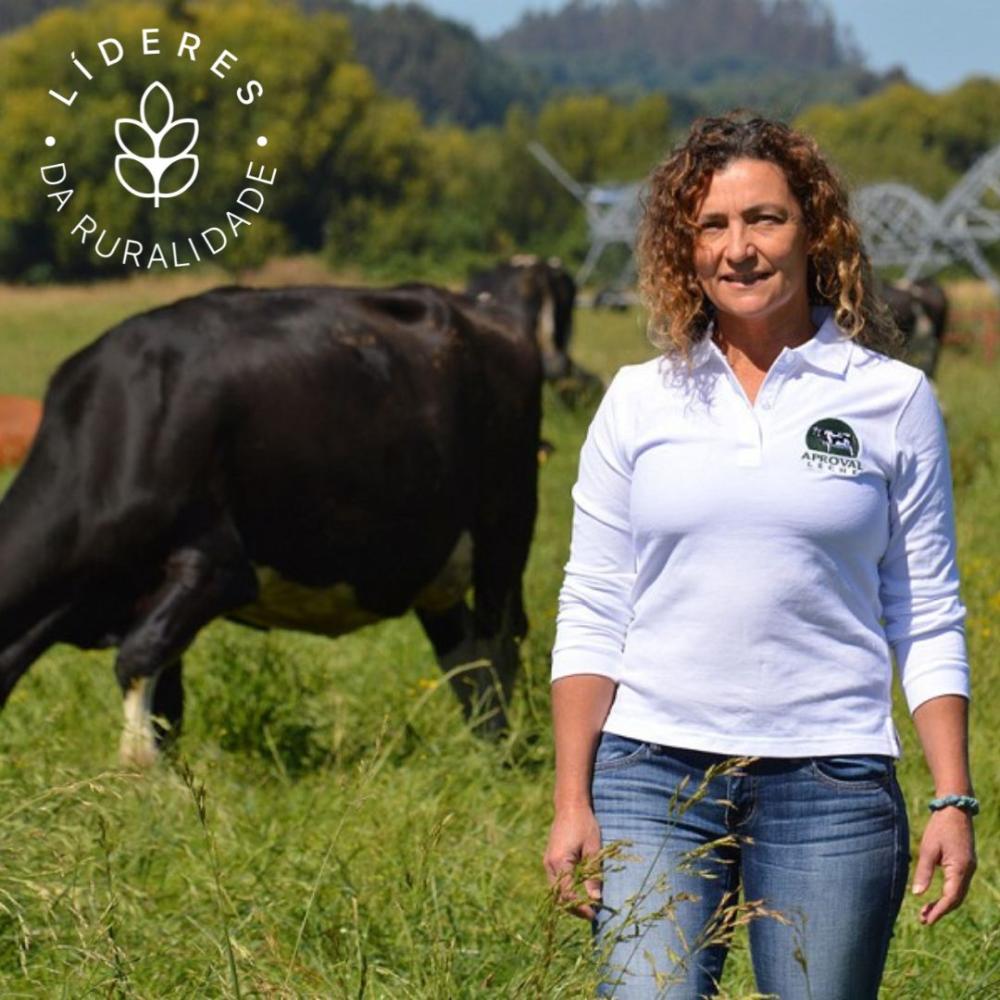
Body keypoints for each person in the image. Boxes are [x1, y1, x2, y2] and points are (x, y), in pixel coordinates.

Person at [543, 113, 977, 1000]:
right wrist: (571, 799)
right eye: (712, 226)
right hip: (650, 774)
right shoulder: (637, 401)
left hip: (833, 783)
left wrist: (953, 796)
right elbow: (591, 604)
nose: (738, 249)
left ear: (814, 229)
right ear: (685, 248)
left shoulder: (892, 400)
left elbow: (927, 609)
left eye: (764, 219)